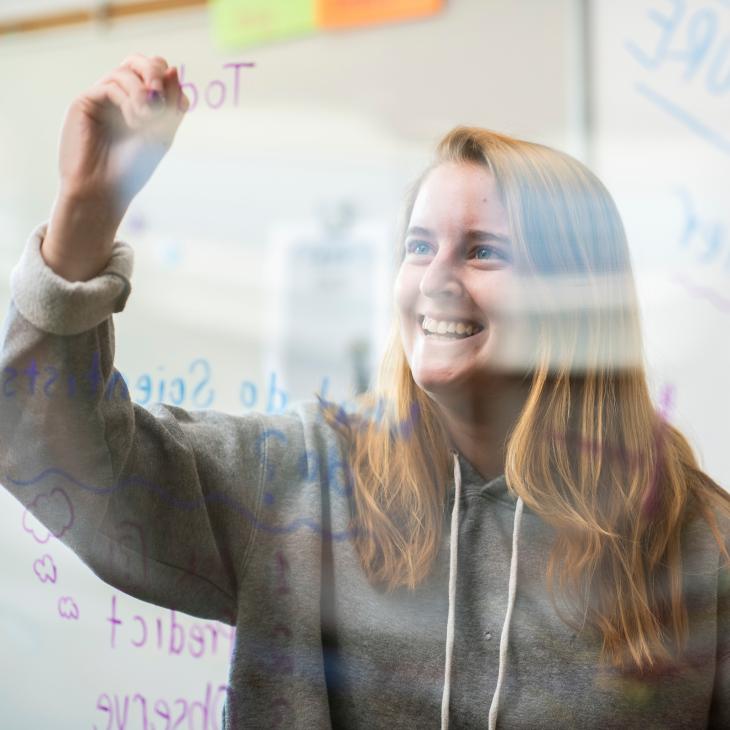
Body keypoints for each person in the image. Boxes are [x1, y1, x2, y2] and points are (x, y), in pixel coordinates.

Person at [0, 54, 728, 729]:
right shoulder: (300, 482)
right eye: (419, 246)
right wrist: (83, 223)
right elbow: (65, 459)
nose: (436, 278)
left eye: (483, 250)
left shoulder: (697, 541)